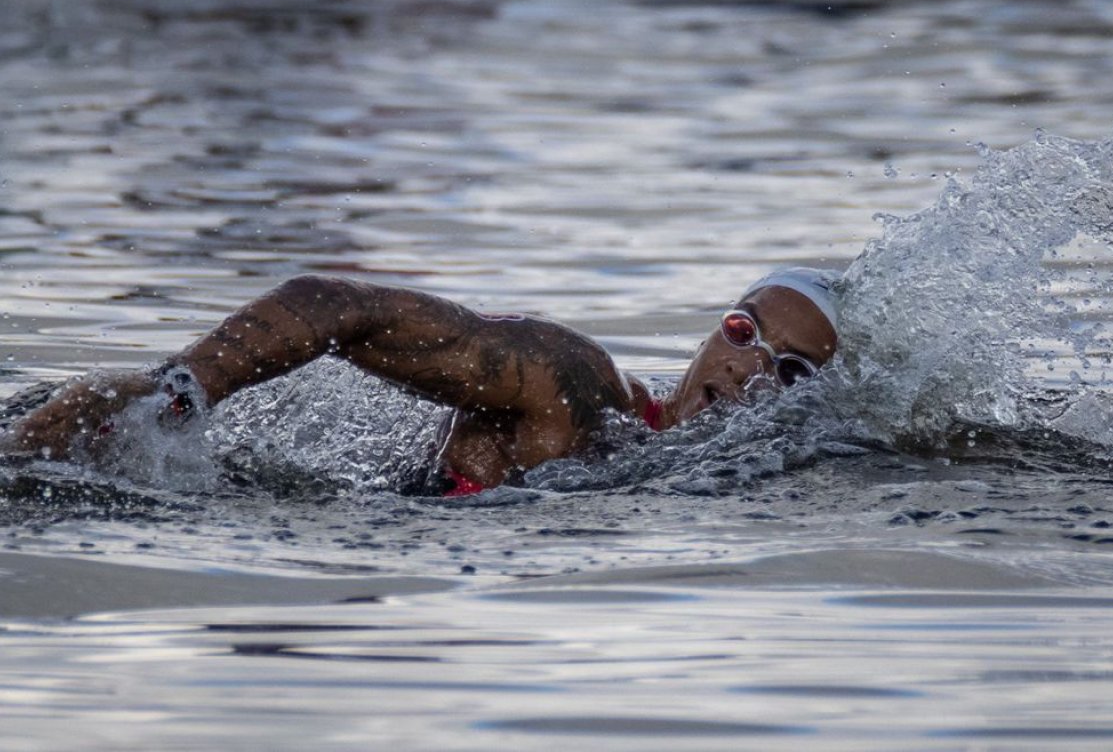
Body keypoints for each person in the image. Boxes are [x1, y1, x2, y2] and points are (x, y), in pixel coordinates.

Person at [2, 267, 839, 496]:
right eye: (744, 331)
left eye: (792, 372)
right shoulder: (577, 385)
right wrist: (179, 397)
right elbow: (335, 301)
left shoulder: (729, 483)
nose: (750, 369)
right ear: (713, 328)